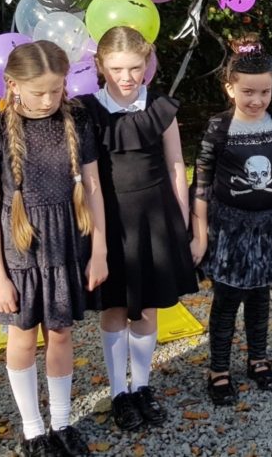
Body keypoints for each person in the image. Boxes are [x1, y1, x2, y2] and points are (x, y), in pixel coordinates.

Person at [0, 40, 108, 457]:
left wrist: (99, 248)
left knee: (62, 334)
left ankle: (62, 423)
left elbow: (93, 186)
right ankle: (34, 431)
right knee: (23, 338)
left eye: (56, 89)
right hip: (20, 252)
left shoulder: (77, 122)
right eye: (38, 92)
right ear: (12, 85)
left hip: (67, 244)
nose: (48, 99)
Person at [76, 26, 197, 431]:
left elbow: (177, 164)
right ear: (99, 65)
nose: (126, 77)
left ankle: (142, 386)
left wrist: (183, 220)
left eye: (134, 68)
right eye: (116, 68)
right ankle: (118, 393)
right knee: (113, 307)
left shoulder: (160, 107)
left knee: (146, 306)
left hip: (155, 217)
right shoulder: (87, 110)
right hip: (110, 220)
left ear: (147, 64)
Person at [191, 37, 272, 406]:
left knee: (261, 296)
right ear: (230, 88)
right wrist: (199, 235)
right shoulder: (218, 127)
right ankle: (219, 369)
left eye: (265, 91)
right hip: (229, 229)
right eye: (248, 91)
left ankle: (258, 359)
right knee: (227, 299)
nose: (257, 100)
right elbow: (201, 183)